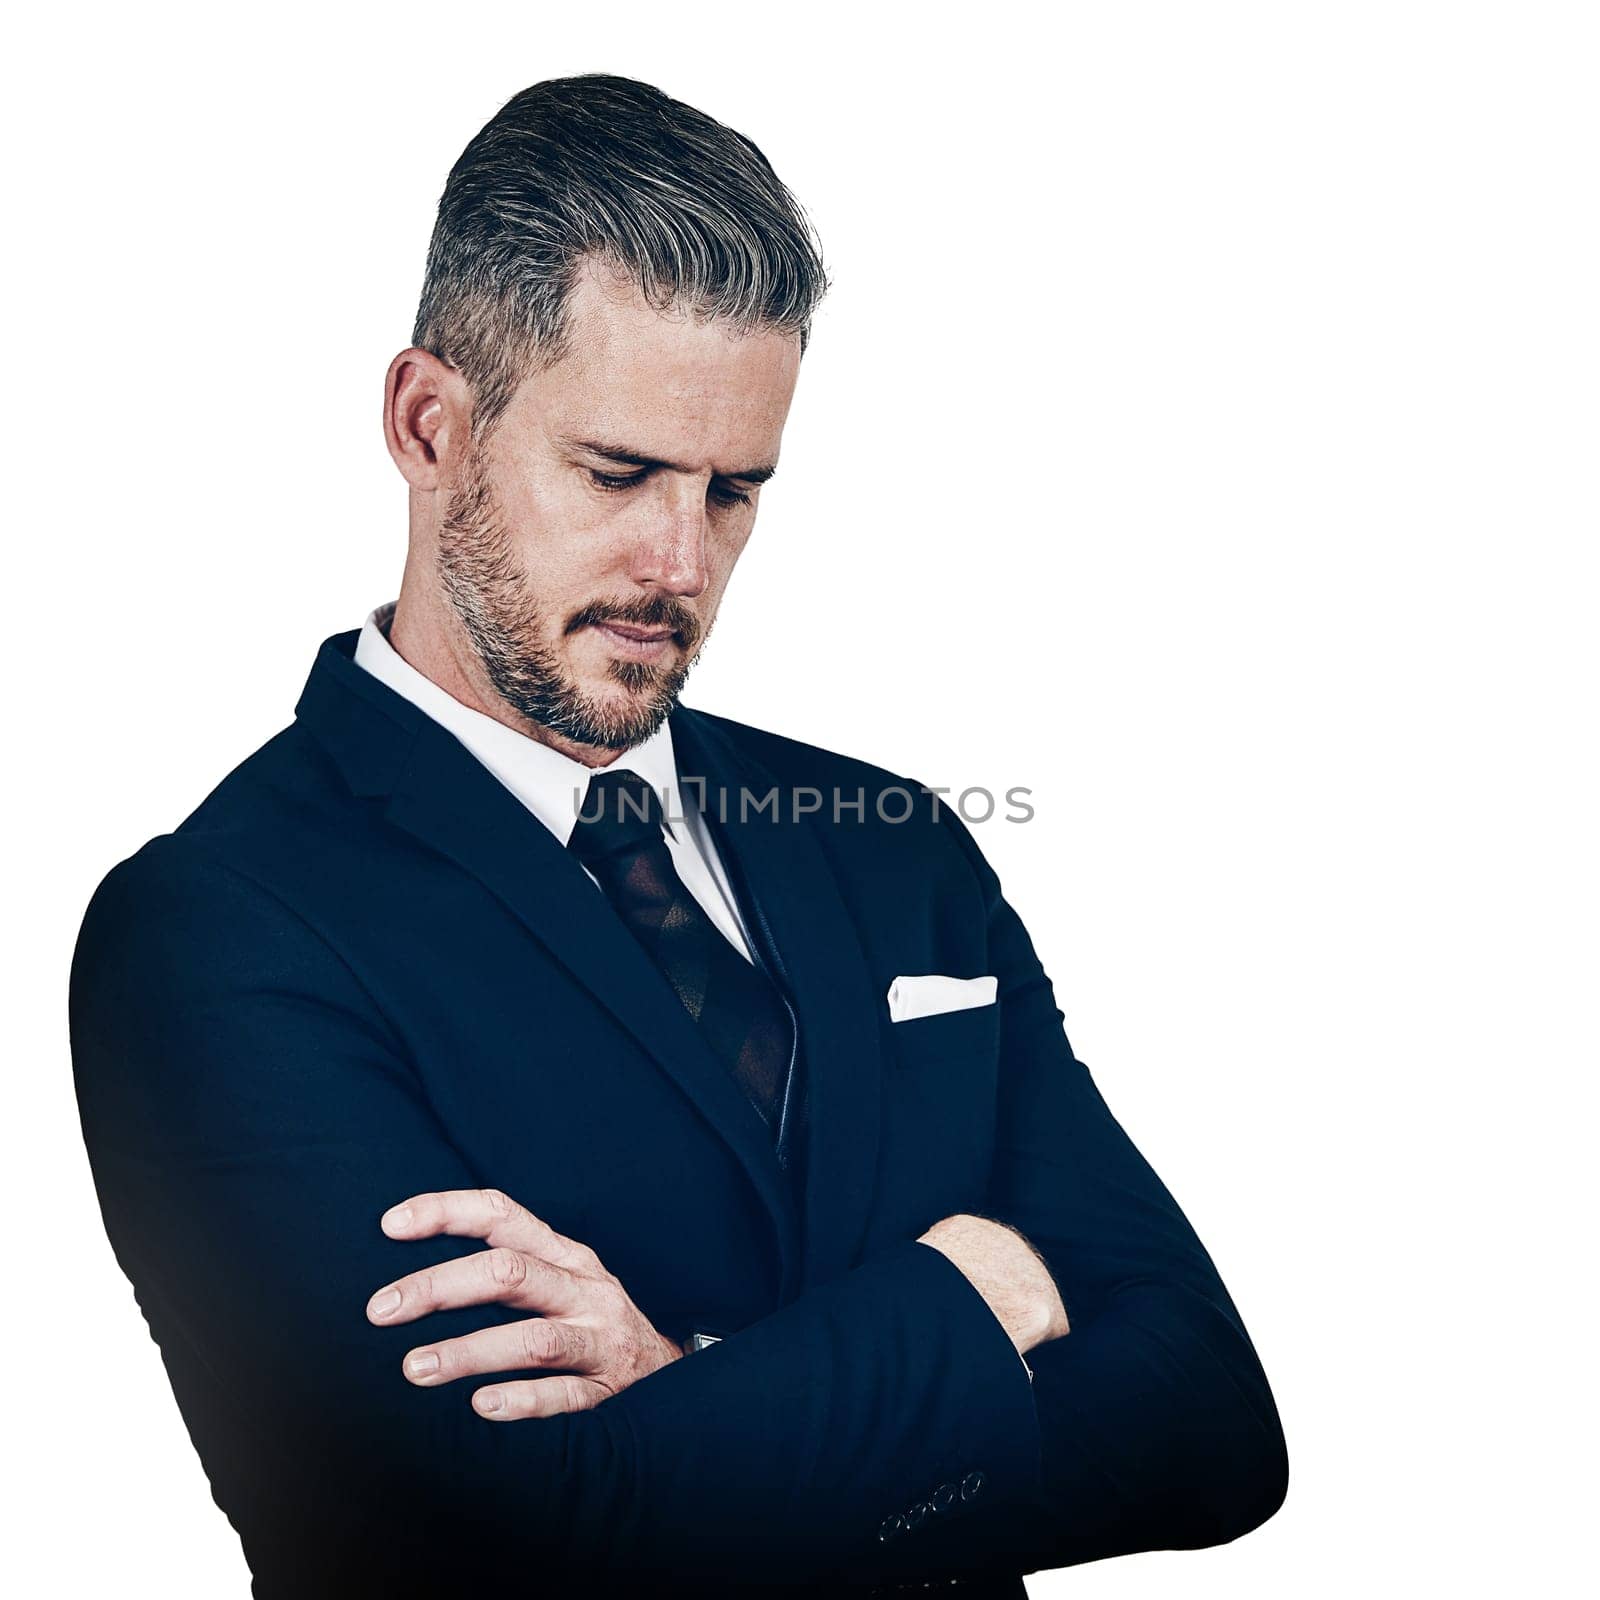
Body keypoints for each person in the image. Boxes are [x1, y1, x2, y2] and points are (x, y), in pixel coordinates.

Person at [69, 74, 1288, 1598]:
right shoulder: (214, 933)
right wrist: (971, 1300)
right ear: (429, 422)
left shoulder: (894, 848)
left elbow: (1214, 1420)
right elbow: (474, 1541)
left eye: (735, 493)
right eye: (619, 472)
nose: (678, 562)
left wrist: (691, 1378)